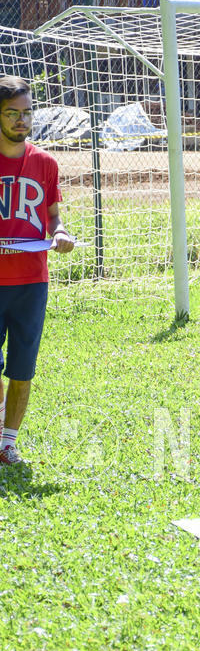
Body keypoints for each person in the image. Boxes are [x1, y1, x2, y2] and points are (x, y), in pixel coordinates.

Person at [0, 76, 75, 465]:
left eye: (27, 113)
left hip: (31, 281)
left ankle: (7, 443)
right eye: (12, 113)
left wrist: (60, 233)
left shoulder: (45, 163)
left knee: (22, 367)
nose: (21, 121)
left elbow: (53, 217)